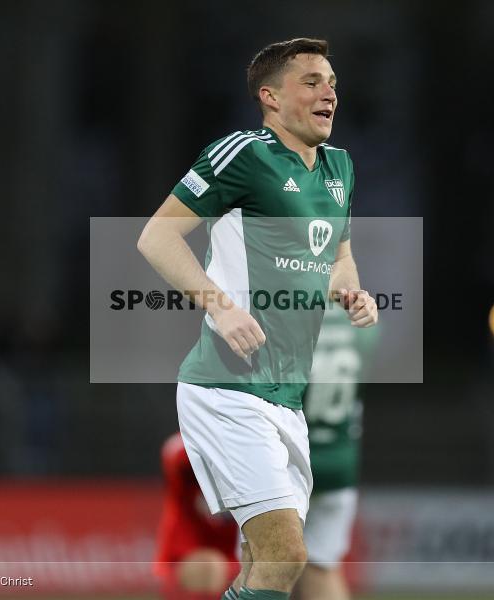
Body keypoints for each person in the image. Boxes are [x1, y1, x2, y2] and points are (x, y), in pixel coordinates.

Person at [138, 37, 378, 600]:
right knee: (286, 555)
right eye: (313, 82)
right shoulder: (243, 153)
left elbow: (337, 257)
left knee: (262, 563)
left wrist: (353, 294)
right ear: (270, 97)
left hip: (287, 398)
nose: (330, 94)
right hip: (227, 388)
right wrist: (221, 307)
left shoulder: (339, 168)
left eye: (334, 84)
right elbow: (156, 236)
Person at [293, 305, 380, 600]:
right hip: (339, 458)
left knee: (261, 565)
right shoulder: (363, 322)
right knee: (322, 567)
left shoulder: (281, 312)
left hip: (287, 461)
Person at [154, 432, 240, 600]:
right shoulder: (185, 450)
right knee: (211, 566)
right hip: (187, 552)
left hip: (239, 555)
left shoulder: (253, 450)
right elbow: (173, 454)